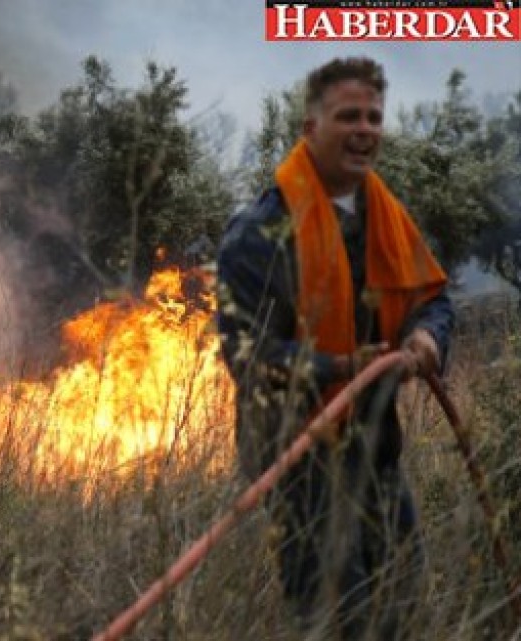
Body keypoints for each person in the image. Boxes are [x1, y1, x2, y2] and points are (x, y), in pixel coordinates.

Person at [216, 57, 453, 639]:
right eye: (348, 116)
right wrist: (342, 368)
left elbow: (433, 299)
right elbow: (247, 356)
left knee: (402, 603)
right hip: (297, 458)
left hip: (376, 449)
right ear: (310, 127)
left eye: (373, 117)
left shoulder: (386, 217)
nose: (364, 129)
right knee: (337, 616)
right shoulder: (258, 233)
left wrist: (427, 335)